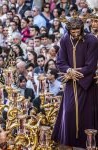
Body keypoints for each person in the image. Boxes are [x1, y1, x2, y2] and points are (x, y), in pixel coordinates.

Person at [51, 18, 98, 149]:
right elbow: (60, 61)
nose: (75, 34)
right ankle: (69, 141)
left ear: (82, 29)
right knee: (69, 111)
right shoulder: (65, 39)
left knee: (87, 114)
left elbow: (91, 65)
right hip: (71, 83)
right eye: (73, 31)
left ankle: (88, 143)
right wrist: (68, 70)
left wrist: (75, 73)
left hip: (87, 83)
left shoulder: (92, 40)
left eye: (78, 31)